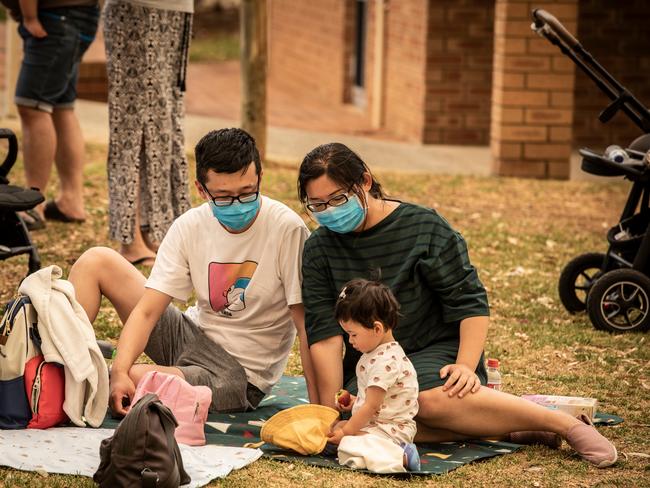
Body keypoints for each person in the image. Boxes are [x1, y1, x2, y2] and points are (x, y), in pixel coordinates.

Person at [298, 142, 618, 468]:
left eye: (338, 199)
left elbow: (470, 302)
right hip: (373, 364)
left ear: (365, 182)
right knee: (369, 423)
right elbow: (325, 336)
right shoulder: (319, 248)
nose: (330, 211)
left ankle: (566, 425)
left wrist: (465, 366)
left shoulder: (424, 227)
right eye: (317, 205)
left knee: (427, 402)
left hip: (439, 352)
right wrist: (329, 412)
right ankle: (513, 429)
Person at [69, 128, 317, 415]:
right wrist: (120, 370)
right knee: (96, 261)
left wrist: (319, 409)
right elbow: (148, 311)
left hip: (238, 375)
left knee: (136, 379)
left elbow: (305, 326)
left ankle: (80, 381)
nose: (237, 205)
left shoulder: (286, 229)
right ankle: (66, 364)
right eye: (223, 196)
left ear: (260, 178)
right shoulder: (190, 226)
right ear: (201, 189)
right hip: (191, 338)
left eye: (247, 193)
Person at [103, 0, 194, 265]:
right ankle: (129, 237)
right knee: (130, 124)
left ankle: (155, 229)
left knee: (166, 122)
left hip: (177, 10)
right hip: (135, 6)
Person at [1, 0, 100, 229]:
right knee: (61, 106)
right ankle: (71, 200)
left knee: (33, 107)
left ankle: (33, 206)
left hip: (54, 18)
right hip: (78, 15)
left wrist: (29, 16)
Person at [327, 279, 420, 473]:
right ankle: (374, 453)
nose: (350, 341)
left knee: (345, 439)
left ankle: (402, 456)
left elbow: (372, 405)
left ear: (377, 329)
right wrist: (354, 401)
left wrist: (346, 432)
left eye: (353, 334)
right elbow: (374, 400)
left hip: (391, 430)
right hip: (380, 423)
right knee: (339, 428)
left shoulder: (384, 361)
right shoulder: (376, 353)